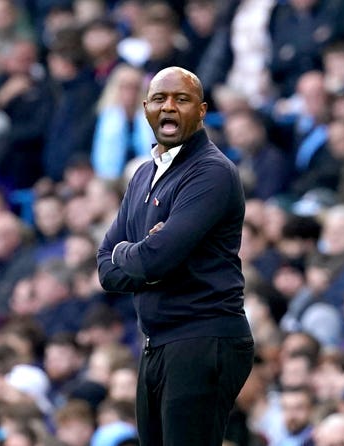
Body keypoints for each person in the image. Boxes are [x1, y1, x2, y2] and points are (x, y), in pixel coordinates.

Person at [97, 66, 254, 445]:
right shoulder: (141, 175)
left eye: (181, 99)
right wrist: (134, 252)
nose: (169, 107)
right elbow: (106, 267)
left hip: (203, 336)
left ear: (201, 111)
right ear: (146, 109)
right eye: (159, 99)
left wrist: (134, 254)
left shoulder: (211, 172)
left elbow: (155, 260)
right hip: (158, 342)